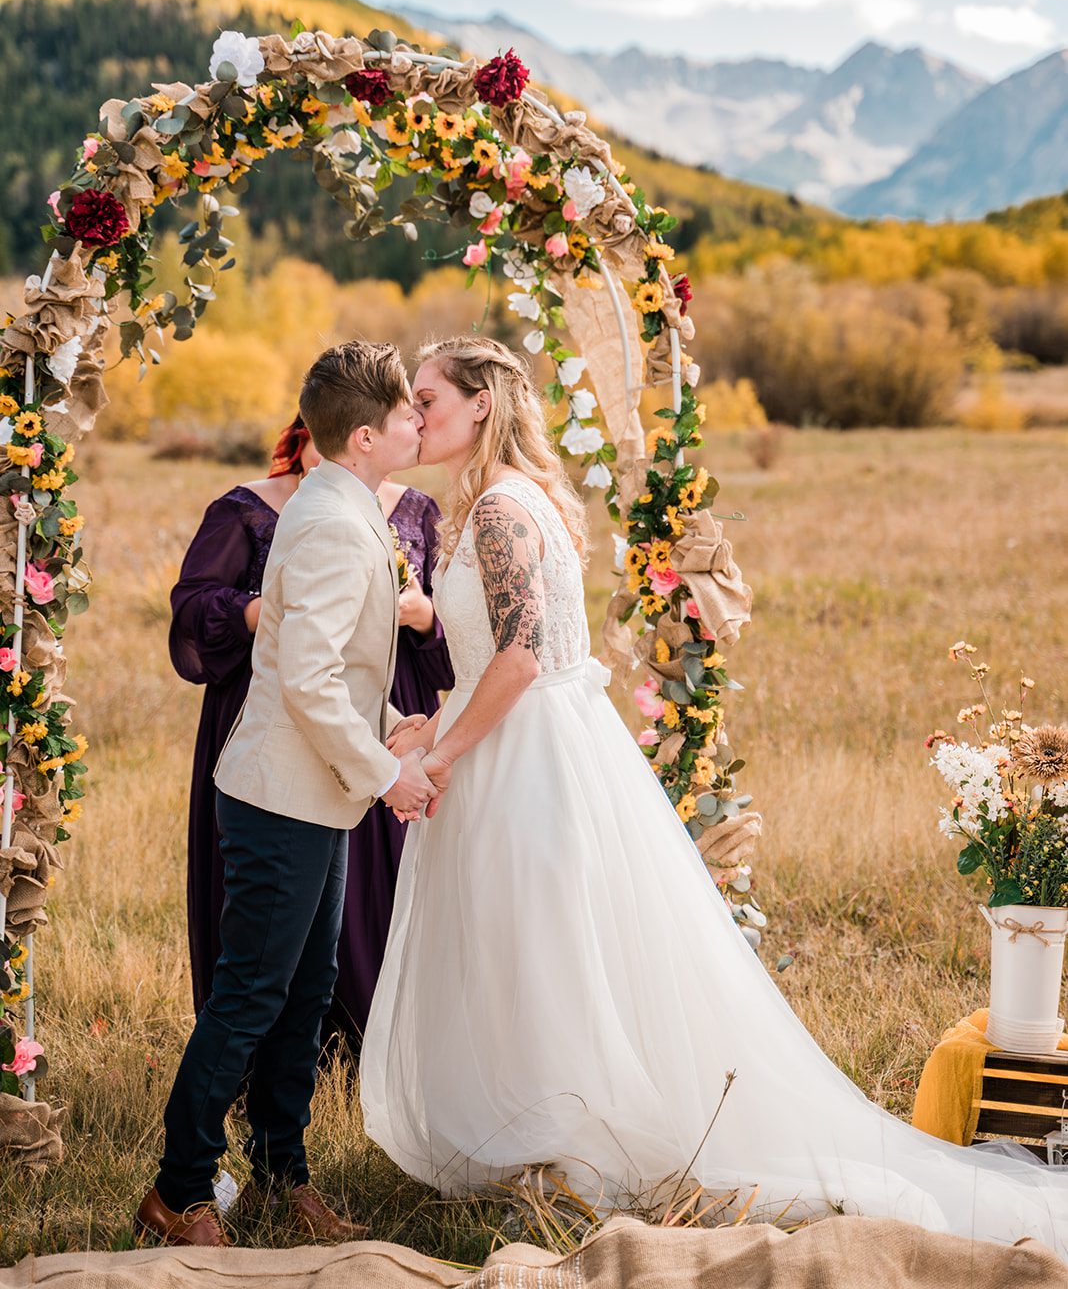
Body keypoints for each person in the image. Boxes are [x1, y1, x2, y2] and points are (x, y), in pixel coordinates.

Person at [361, 335, 1068, 1261]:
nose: (416, 415)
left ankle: (567, 1151)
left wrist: (445, 756)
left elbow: (526, 656)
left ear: (482, 403)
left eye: (428, 397)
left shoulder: (498, 509)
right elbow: (497, 650)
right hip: (523, 743)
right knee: (524, 944)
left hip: (526, 760)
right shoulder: (497, 503)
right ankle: (537, 1143)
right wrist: (431, 723)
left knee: (541, 944)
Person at [137, 341, 436, 1248]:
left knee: (304, 995)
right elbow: (305, 683)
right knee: (250, 997)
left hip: (314, 797)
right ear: (362, 438)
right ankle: (178, 1191)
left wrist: (389, 722)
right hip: (279, 801)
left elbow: (318, 665)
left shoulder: (331, 504)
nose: (419, 425)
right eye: (405, 417)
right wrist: (390, 775)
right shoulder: (341, 524)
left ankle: (282, 1173)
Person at [170, 413, 452, 1044]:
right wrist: (263, 612)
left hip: (382, 706)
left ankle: (369, 1041)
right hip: (277, 708)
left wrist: (421, 614)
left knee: (366, 891)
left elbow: (455, 641)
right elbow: (192, 610)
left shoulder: (418, 512)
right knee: (272, 910)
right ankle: (246, 1061)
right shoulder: (250, 510)